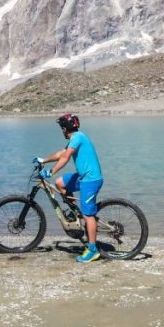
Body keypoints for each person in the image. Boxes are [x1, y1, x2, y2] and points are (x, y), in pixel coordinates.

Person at [36, 113, 104, 263]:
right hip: (83, 177)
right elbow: (62, 153)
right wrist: (44, 160)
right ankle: (75, 212)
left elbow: (65, 158)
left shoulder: (78, 138)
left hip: (90, 180)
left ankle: (93, 250)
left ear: (65, 128)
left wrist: (50, 172)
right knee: (60, 183)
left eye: (62, 128)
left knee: (88, 215)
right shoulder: (76, 138)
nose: (62, 131)